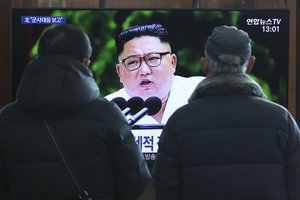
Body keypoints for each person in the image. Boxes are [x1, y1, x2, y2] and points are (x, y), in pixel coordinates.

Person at [0, 24, 150, 200]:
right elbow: (137, 184)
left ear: (38, 58)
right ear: (86, 64)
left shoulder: (6, 118)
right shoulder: (107, 114)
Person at [152, 25, 300, 200]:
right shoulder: (282, 119)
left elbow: (165, 188)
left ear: (204, 64)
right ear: (250, 63)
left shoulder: (178, 121)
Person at [105, 24, 205, 124]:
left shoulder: (202, 93)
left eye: (153, 58)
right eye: (133, 62)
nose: (144, 71)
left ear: (173, 62)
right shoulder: (106, 112)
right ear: (119, 72)